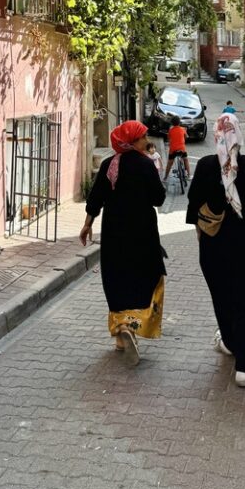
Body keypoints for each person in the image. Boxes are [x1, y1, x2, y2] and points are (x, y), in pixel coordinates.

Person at [186, 113, 245, 387]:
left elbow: (193, 210)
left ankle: (230, 342)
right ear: (237, 135)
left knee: (224, 298)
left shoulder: (205, 166)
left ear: (216, 135)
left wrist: (202, 239)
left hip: (213, 248)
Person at [80, 121, 166, 365]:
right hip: (142, 232)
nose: (146, 138)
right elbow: (158, 198)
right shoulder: (146, 165)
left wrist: (87, 224)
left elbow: (95, 199)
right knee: (144, 276)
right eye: (143, 136)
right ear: (134, 140)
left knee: (117, 276)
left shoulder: (110, 164)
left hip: (114, 232)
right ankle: (132, 326)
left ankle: (120, 333)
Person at [163, 115, 190, 185]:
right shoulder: (182, 129)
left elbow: (169, 138)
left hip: (173, 149)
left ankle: (165, 177)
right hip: (182, 149)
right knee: (186, 159)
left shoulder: (171, 130)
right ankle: (189, 175)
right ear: (179, 122)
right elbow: (187, 136)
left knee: (169, 163)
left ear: (172, 123)